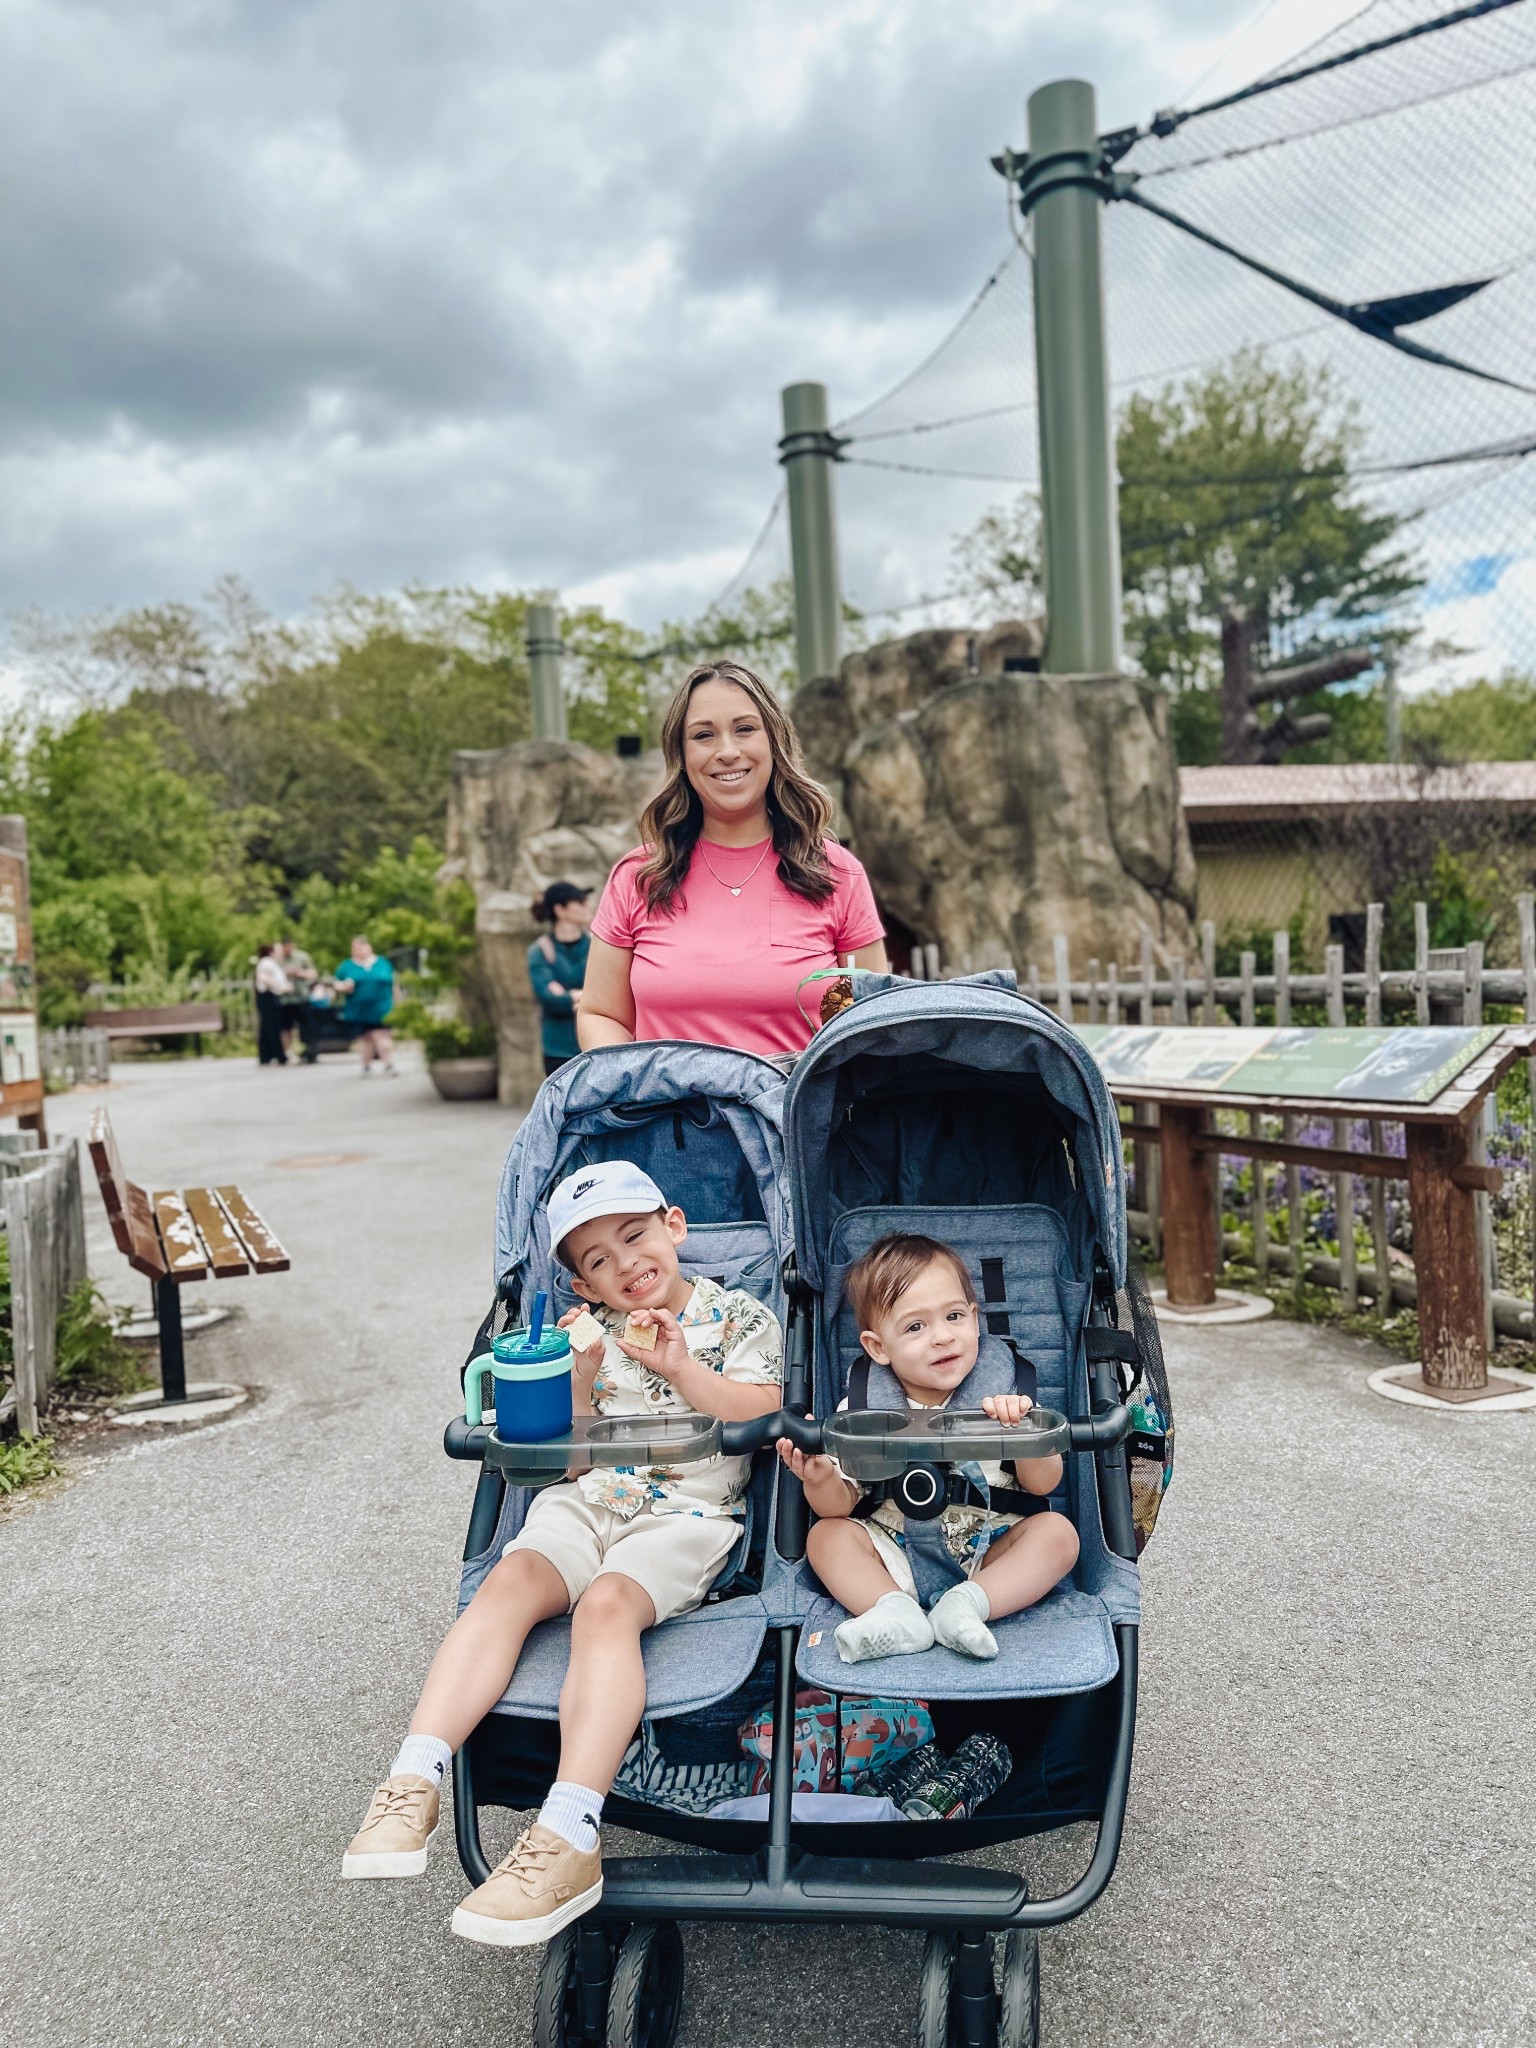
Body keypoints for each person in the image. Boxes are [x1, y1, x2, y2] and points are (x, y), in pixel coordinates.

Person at [341, 1160, 783, 1946]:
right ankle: (413, 1777)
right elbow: (572, 1465)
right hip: (589, 1500)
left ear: (674, 1227)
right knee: (509, 1579)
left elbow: (764, 1411)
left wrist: (681, 1364)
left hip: (687, 1514)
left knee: (607, 1607)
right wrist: (578, 1381)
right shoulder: (589, 1334)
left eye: (635, 1237)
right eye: (599, 1261)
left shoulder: (740, 1317)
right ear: (581, 1285)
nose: (626, 1265)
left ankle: (571, 1828)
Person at [777, 1233, 1079, 1665]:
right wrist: (821, 1475)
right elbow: (837, 1509)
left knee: (1058, 1534)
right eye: (916, 1327)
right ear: (878, 1347)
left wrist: (1024, 1433)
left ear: (975, 1320)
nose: (942, 1337)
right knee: (826, 1537)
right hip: (894, 1550)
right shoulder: (862, 1410)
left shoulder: (1007, 1398)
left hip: (988, 1550)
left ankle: (968, 1606)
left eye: (954, 1316)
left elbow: (1042, 1484)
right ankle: (894, 1612)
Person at [577, 661, 888, 1060]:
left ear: (774, 741)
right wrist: (634, 1088)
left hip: (796, 1118)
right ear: (682, 755)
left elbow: (869, 1017)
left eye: (744, 729)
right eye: (704, 735)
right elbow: (602, 1013)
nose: (727, 751)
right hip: (667, 1118)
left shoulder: (837, 873)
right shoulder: (639, 877)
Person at [527, 882, 592, 1077]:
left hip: (592, 1046)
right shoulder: (540, 950)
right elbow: (548, 998)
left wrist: (568, 995)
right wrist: (587, 997)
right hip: (558, 1050)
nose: (586, 907)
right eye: (579, 902)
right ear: (560, 910)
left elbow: (611, 991)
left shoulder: (595, 945)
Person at [333, 936, 396, 1077]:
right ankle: (366, 1065)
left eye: (361, 947)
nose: (358, 951)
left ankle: (388, 1064)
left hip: (382, 1007)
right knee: (366, 1038)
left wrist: (398, 1002)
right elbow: (336, 983)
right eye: (355, 948)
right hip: (359, 1009)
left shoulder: (382, 963)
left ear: (369, 947)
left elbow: (393, 984)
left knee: (381, 1035)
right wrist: (344, 987)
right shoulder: (347, 966)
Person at [276, 937, 319, 1062]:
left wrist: (298, 973)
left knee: (306, 1026)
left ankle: (309, 1051)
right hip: (285, 999)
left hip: (301, 996)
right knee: (286, 1027)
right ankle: (286, 1052)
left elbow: (313, 973)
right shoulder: (277, 959)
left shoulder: (302, 957)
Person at [253, 944, 291, 1067]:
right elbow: (265, 978)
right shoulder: (267, 963)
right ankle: (277, 1054)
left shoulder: (271, 963)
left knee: (267, 1027)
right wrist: (282, 987)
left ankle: (266, 1055)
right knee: (271, 1027)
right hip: (268, 996)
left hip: (270, 996)